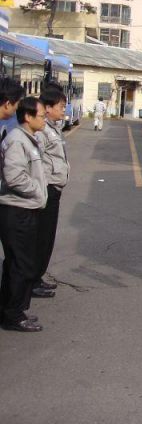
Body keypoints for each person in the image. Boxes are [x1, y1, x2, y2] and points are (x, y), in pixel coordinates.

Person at [0, 97, 48, 332]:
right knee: (21, 264)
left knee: (17, 264)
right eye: (41, 115)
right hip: (18, 210)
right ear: (28, 117)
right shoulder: (18, 141)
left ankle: (12, 310)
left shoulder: (29, 139)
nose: (44, 119)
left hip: (24, 208)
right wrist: (38, 190)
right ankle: (14, 315)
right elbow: (14, 177)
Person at [32, 87, 70, 300]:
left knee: (47, 238)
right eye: (61, 107)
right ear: (47, 108)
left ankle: (37, 277)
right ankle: (33, 280)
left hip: (54, 189)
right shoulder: (42, 131)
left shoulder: (53, 128)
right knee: (41, 238)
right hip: (46, 190)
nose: (63, 111)